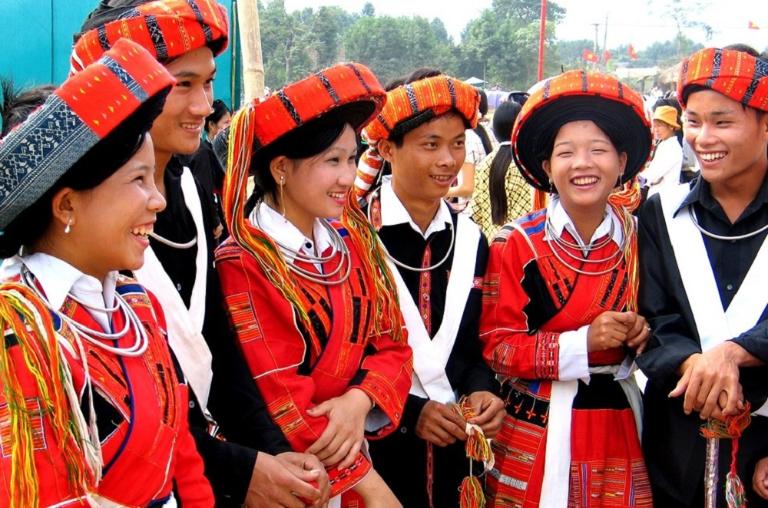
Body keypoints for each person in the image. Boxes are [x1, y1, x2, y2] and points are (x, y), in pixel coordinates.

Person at [72, 1, 330, 506]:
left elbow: (217, 337)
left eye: (208, 83)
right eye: (181, 85)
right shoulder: (79, 221)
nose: (205, 105)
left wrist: (270, 451)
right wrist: (244, 471)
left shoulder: (196, 175)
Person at [0, 39, 212, 506]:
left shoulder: (137, 305)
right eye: (137, 181)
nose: (157, 199)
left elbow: (182, 456)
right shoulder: (16, 334)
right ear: (67, 204)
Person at [215, 63, 413, 507]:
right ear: (282, 168)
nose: (348, 177)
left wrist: (359, 401)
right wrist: (373, 489)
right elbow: (281, 396)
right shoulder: (245, 262)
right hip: (296, 475)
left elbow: (394, 345)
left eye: (352, 158)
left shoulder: (351, 241)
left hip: (352, 452)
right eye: (332, 161)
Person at [479, 70, 654, 507]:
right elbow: (497, 346)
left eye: (599, 150)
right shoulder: (516, 242)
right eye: (566, 152)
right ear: (546, 167)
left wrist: (641, 335)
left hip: (618, 422)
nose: (583, 163)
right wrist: (584, 343)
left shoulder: (642, 238)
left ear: (622, 162)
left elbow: (666, 319)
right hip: (535, 424)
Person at [355, 70, 505, 508]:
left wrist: (484, 390)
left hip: (458, 454)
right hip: (377, 454)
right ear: (387, 149)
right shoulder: (352, 240)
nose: (448, 160)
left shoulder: (472, 240)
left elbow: (478, 343)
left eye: (458, 143)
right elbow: (340, 356)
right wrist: (408, 414)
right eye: (430, 144)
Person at [636, 45, 768, 507]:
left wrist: (735, 352)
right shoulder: (661, 213)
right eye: (693, 121)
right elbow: (651, 320)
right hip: (676, 439)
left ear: (765, 122)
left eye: (723, 121)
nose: (703, 137)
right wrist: (698, 366)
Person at [472, 99, 532, 239]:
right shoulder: (526, 165)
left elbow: (476, 211)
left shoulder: (485, 164)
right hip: (520, 244)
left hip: (491, 245)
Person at [639, 104, 684, 196]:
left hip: (664, 196)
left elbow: (653, 174)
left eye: (659, 126)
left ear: (671, 126)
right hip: (656, 194)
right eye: (654, 126)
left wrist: (637, 178)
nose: (656, 130)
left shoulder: (673, 148)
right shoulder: (663, 144)